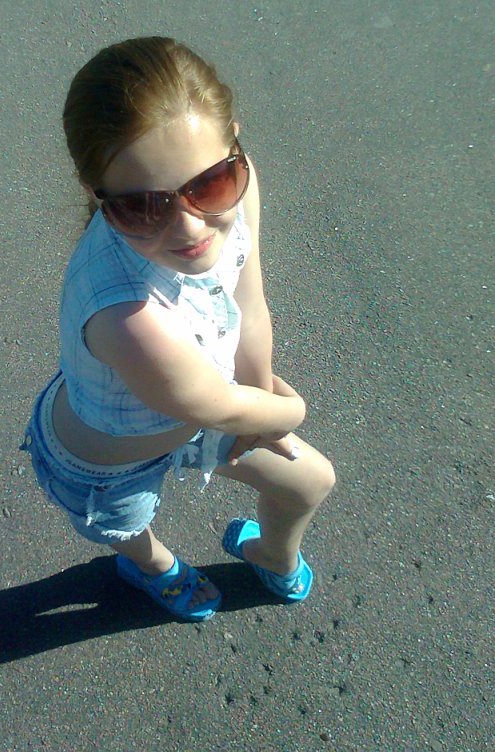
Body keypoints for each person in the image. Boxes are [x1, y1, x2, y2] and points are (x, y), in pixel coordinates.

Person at [22, 37, 335, 621]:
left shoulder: (240, 186)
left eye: (209, 184)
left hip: (199, 409)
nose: (190, 226)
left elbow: (250, 302)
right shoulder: (126, 318)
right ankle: (152, 566)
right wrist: (285, 411)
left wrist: (260, 391)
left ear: (234, 145)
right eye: (143, 206)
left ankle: (274, 553)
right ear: (97, 196)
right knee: (128, 525)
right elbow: (218, 406)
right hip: (108, 458)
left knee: (310, 482)